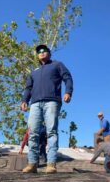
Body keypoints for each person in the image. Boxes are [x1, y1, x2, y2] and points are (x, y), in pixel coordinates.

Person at [21, 44, 73, 173]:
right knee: (32, 133)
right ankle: (32, 164)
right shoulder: (34, 72)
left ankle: (51, 164)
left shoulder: (57, 65)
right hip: (35, 104)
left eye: (44, 50)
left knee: (51, 132)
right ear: (37, 56)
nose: (42, 52)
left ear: (49, 53)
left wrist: (68, 92)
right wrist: (24, 100)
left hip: (52, 101)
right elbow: (28, 88)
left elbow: (67, 78)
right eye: (39, 51)